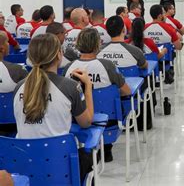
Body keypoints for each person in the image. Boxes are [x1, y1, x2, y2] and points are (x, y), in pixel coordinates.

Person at [13, 33, 94, 182]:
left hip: (24, 166)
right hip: (59, 166)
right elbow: (86, 122)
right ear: (58, 54)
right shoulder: (70, 86)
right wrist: (88, 86)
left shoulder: (19, 87)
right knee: (87, 158)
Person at [63, 28, 131, 163]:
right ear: (97, 44)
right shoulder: (107, 66)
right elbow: (126, 91)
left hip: (76, 119)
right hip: (109, 119)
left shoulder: (69, 68)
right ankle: (106, 147)